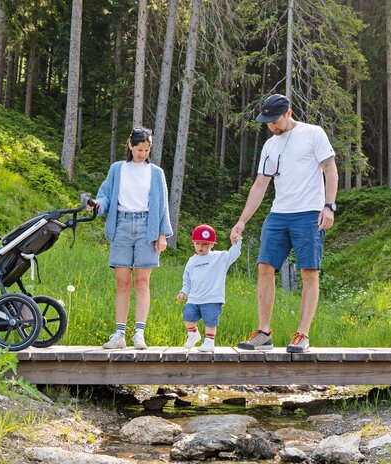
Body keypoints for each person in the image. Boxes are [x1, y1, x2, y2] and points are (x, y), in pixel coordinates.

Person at [230, 94, 338, 354]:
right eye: (267, 122)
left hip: (309, 213)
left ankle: (302, 334)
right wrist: (242, 220)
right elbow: (260, 185)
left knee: (309, 272)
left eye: (274, 121)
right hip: (278, 214)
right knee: (265, 266)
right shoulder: (270, 145)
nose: (271, 126)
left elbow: (330, 170)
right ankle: (264, 333)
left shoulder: (313, 134)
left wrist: (329, 205)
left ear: (288, 113)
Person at [92, 127, 173, 350]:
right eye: (139, 149)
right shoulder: (117, 169)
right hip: (122, 226)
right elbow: (105, 195)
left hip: (148, 226)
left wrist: (162, 234)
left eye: (146, 150)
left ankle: (139, 333)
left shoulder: (156, 173)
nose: (142, 154)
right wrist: (98, 204)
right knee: (123, 282)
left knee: (142, 281)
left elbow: (162, 205)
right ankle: (119, 334)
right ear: (130, 145)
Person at [177, 224, 242, 352]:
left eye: (205, 244)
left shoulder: (219, 257)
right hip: (194, 299)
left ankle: (209, 342)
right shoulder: (191, 261)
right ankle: (193, 334)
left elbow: (233, 254)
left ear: (212, 245)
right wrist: (184, 291)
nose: (201, 247)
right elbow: (187, 278)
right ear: (193, 244)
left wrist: (237, 241)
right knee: (187, 316)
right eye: (198, 244)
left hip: (212, 298)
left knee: (210, 321)